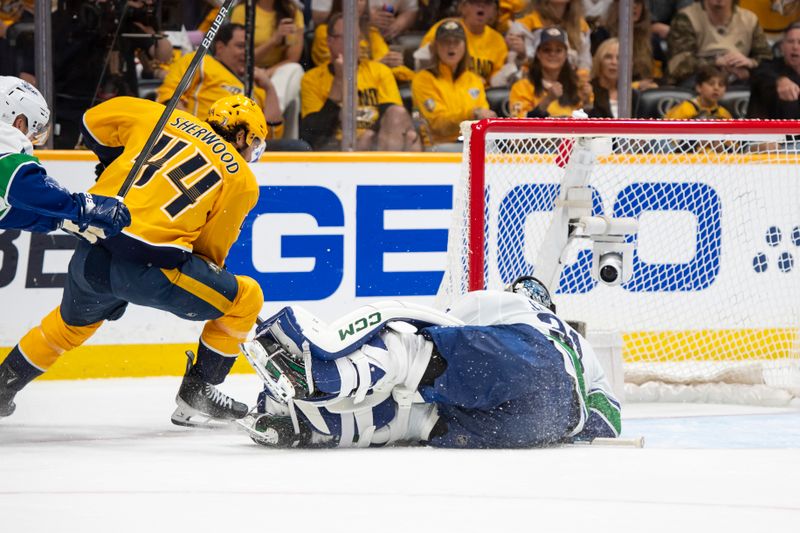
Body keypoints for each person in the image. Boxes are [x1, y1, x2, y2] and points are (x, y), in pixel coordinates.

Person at [0, 94, 267, 425]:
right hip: (151, 270)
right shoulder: (241, 177)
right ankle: (198, 393)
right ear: (241, 136)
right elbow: (209, 250)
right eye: (254, 144)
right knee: (246, 297)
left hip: (94, 247)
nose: (252, 153)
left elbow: (93, 121)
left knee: (68, 328)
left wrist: (113, 160)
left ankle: (3, 386)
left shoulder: (160, 114)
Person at [239, 276, 621, 448]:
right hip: (550, 424)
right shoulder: (581, 349)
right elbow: (609, 423)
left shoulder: (512, 304)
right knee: (419, 420)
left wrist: (395, 354)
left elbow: (442, 326)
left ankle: (322, 377)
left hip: (528, 361)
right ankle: (313, 427)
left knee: (412, 355)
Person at [0, 76, 130, 238]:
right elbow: (20, 182)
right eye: (34, 130)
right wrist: (82, 207)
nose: (32, 141)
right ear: (18, 123)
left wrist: (60, 219)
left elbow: (6, 212)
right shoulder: (4, 134)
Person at [156, 23, 310, 152]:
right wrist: (196, 133)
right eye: (240, 46)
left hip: (246, 150)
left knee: (298, 148)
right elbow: (169, 96)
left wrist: (269, 89)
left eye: (249, 48)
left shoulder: (257, 86)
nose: (246, 53)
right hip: (203, 143)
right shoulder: (201, 62)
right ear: (221, 47)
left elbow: (272, 135)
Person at [300, 13, 421, 151]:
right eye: (345, 38)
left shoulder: (379, 71)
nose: (353, 44)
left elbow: (394, 115)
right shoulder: (312, 78)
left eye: (356, 38)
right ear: (329, 41)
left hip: (377, 142)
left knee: (402, 122)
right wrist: (339, 81)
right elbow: (312, 135)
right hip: (334, 145)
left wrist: (368, 136)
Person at [411, 19, 495, 150]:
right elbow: (437, 125)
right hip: (438, 146)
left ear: (465, 46)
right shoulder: (423, 79)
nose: (451, 46)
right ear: (436, 46)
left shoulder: (474, 80)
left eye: (456, 41)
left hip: (471, 144)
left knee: (494, 149)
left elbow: (482, 119)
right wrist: (471, 114)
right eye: (445, 42)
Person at [230, 0, 305, 139]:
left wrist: (266, 74)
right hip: (245, 70)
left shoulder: (293, 12)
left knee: (295, 69)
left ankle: (269, 118)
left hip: (277, 73)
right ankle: (270, 123)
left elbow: (293, 58)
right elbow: (240, 55)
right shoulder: (242, 10)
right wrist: (274, 40)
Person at [667, 0, 772, 88]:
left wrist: (750, 63)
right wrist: (717, 62)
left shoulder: (750, 19)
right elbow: (679, 65)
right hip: (698, 80)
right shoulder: (686, 17)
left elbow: (767, 59)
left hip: (739, 77)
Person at [311, 0, 415, 84]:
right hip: (338, 90)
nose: (356, 3)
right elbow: (332, 70)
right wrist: (378, 64)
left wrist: (416, 77)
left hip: (376, 88)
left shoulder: (372, 32)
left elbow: (393, 67)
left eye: (361, 0)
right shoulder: (325, 33)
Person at [416, 0, 509, 87]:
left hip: (481, 96)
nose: (481, 6)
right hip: (446, 90)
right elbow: (424, 64)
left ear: (494, 11)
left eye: (487, 3)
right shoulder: (445, 28)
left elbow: (496, 79)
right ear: (463, 7)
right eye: (475, 2)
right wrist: (469, 80)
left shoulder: (497, 40)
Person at [509, 26, 591, 118]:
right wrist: (547, 100)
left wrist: (587, 103)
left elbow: (592, 121)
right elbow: (518, 122)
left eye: (558, 50)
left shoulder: (579, 85)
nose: (552, 54)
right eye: (547, 50)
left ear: (566, 54)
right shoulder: (521, 87)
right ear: (538, 54)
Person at [508, 0, 593, 79]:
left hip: (570, 85)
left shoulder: (581, 25)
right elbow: (513, 63)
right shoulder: (524, 24)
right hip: (533, 83)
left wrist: (579, 83)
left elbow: (585, 63)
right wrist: (524, 53)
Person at [590, 0, 662, 88]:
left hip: (642, 95)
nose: (634, 6)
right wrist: (635, 86)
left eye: (638, 2)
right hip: (606, 92)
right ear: (617, 6)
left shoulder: (652, 40)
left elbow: (658, 77)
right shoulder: (602, 34)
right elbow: (595, 73)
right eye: (629, 2)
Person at [747, 21, 800, 119]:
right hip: (767, 131)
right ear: (781, 47)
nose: (795, 47)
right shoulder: (768, 66)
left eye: (799, 42)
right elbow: (759, 73)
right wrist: (779, 81)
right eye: (790, 41)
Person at [587, 37, 639, 118]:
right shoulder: (588, 91)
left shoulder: (634, 95)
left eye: (619, 58)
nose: (614, 62)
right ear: (599, 61)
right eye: (608, 57)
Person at [663, 64, 732, 120]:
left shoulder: (724, 114)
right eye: (711, 84)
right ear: (699, 87)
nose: (716, 88)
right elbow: (669, 134)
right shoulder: (684, 109)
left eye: (721, 85)